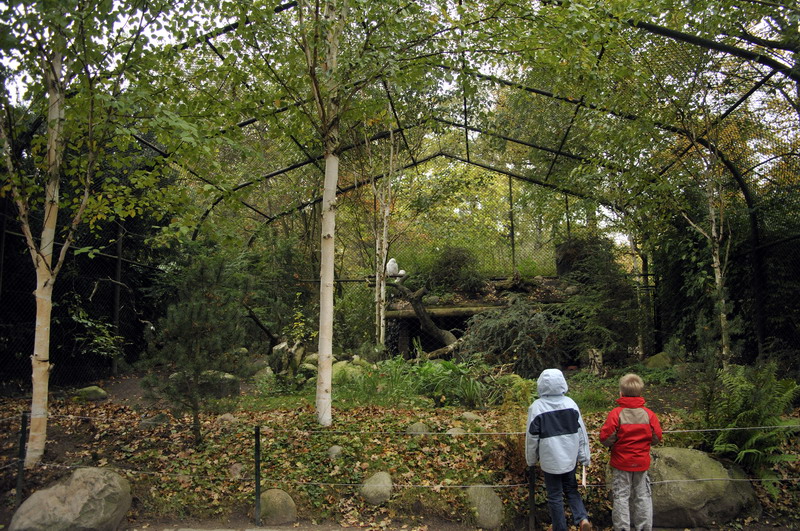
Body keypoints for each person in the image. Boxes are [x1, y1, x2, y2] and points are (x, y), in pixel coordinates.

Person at [526, 368, 592, 531]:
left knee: (555, 496)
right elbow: (581, 432)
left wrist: (531, 460)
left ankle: (560, 528)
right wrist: (584, 456)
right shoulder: (571, 404)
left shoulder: (536, 407)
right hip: (569, 458)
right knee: (571, 489)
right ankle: (582, 518)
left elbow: (531, 438)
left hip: (550, 460)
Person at [599, 373, 663, 531]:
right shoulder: (649, 414)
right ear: (640, 393)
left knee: (621, 496)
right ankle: (644, 528)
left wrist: (614, 443)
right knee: (642, 496)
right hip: (641, 463)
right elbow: (657, 437)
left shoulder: (616, 414)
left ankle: (622, 528)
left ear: (621, 393)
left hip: (621, 463)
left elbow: (605, 437)